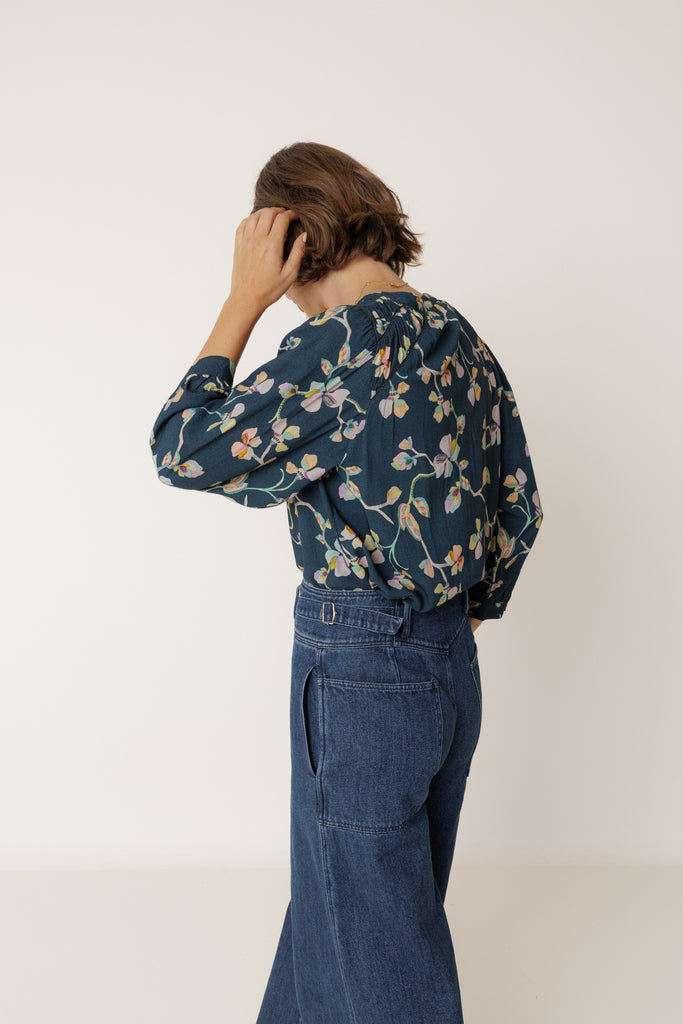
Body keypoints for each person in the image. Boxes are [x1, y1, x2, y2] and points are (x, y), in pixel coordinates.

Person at [149, 142, 544, 1023]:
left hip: (360, 663)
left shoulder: (343, 342)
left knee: (374, 932)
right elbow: (519, 508)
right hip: (447, 665)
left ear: (292, 237)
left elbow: (183, 447)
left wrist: (242, 302)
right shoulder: (457, 336)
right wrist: (451, 620)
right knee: (342, 909)